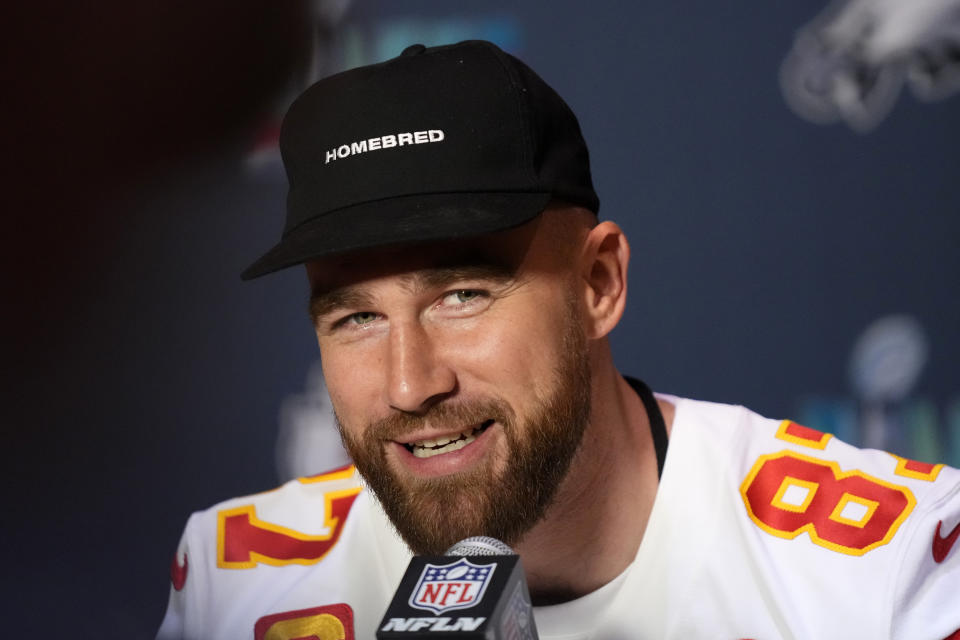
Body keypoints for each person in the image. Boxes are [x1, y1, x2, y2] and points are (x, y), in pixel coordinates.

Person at [156, 40, 960, 640]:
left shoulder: (886, 570)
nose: (409, 384)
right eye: (356, 316)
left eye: (463, 295)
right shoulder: (239, 579)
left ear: (598, 283)